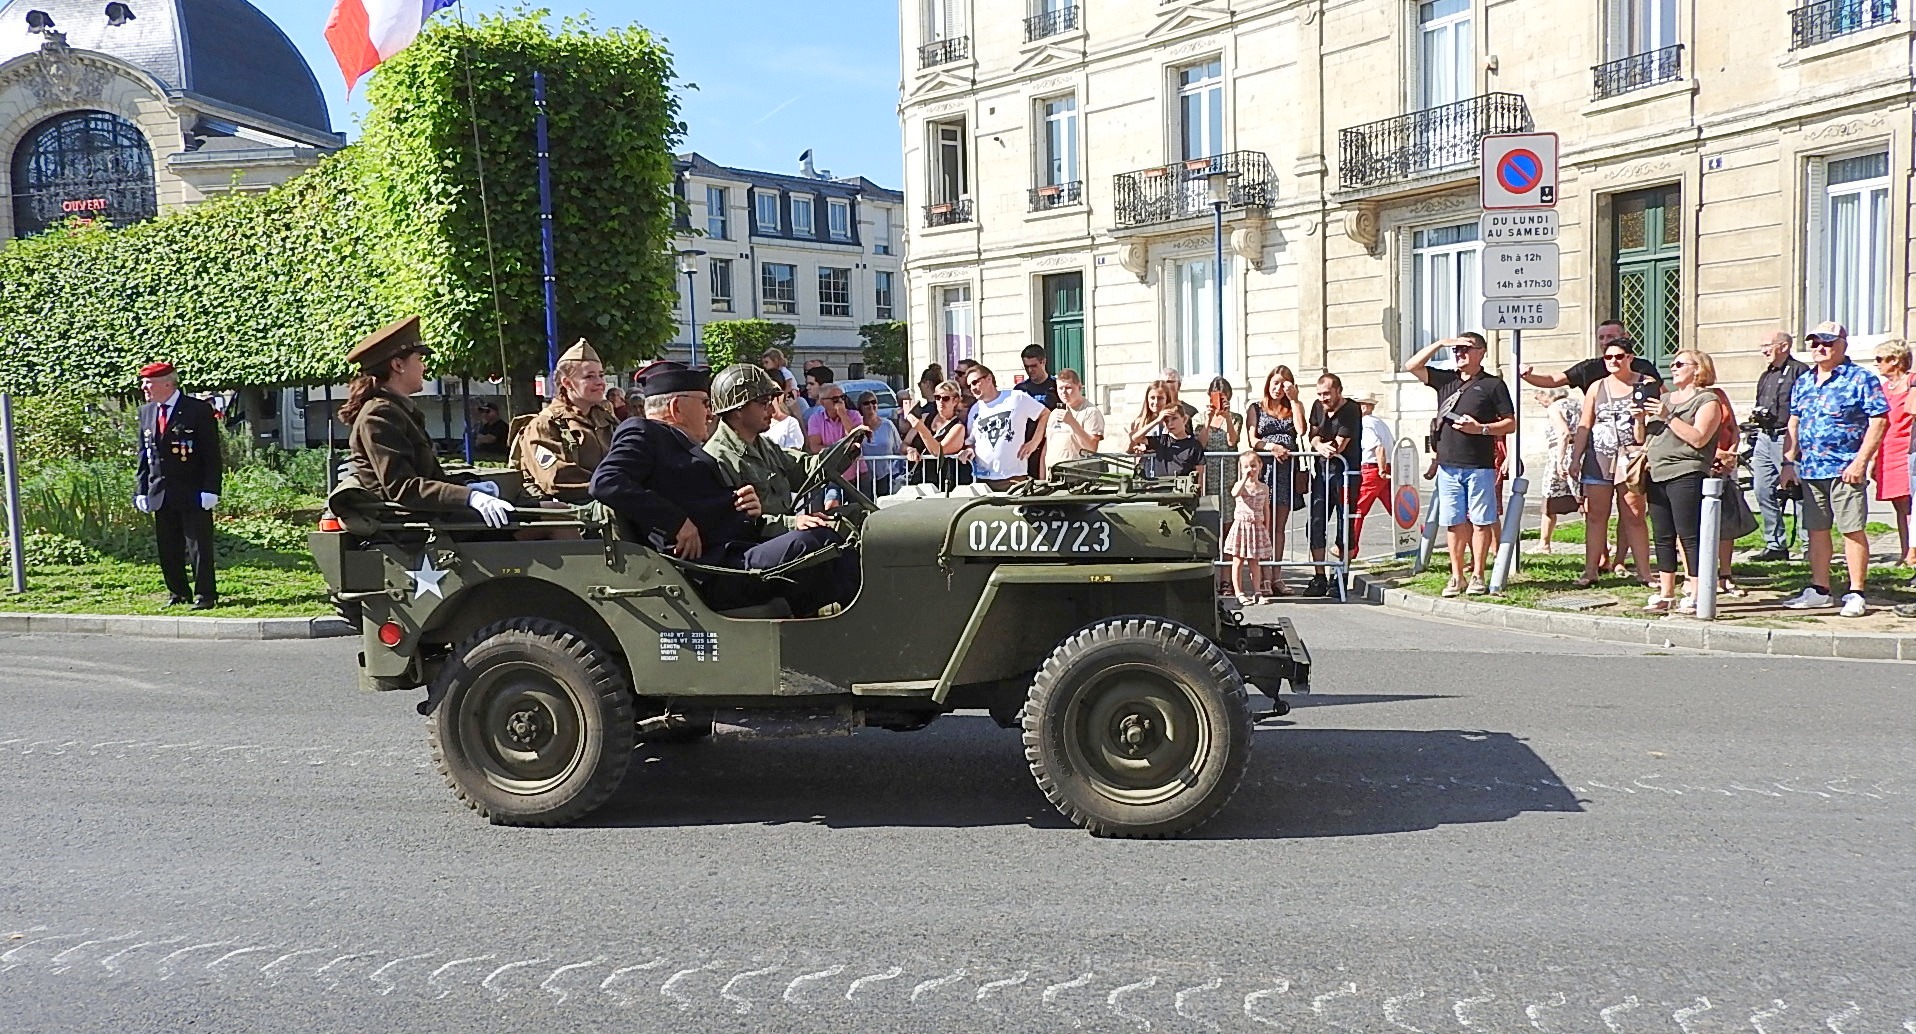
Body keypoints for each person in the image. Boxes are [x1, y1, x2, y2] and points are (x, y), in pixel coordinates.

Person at [590, 364, 852, 616]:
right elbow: (607, 481)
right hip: (711, 570)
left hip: (731, 553)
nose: (711, 413)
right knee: (818, 543)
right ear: (676, 407)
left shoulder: (684, 446)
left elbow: (701, 504)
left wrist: (744, 509)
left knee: (837, 541)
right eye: (704, 403)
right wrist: (676, 522)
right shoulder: (643, 432)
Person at [1780, 322, 1888, 616]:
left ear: (1843, 344)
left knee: (1852, 529)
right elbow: (1795, 421)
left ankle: (1856, 591)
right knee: (1816, 530)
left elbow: (1878, 420)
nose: (1819, 348)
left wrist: (1861, 461)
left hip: (1845, 467)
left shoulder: (1860, 379)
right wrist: (1788, 462)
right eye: (1814, 343)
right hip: (1812, 468)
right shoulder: (1804, 381)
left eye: (1826, 342)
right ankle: (1820, 588)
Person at [1406, 333, 1516, 597]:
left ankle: (1478, 574)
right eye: (1457, 350)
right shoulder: (1446, 380)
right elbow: (1412, 366)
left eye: (1466, 349)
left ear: (1482, 352)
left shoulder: (1493, 385)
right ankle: (1457, 576)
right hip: (1448, 466)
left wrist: (1481, 429)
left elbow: (1511, 423)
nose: (1460, 353)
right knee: (1454, 522)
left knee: (1481, 521)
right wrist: (1439, 344)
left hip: (1479, 465)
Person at [1565, 338, 1656, 589]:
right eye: (1608, 357)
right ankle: (1591, 569)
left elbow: (1655, 422)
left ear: (1630, 357)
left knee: (1634, 515)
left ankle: (1644, 572)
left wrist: (1641, 422)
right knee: (1595, 515)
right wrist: (1576, 458)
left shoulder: (1646, 383)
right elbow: (1585, 424)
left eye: (1619, 356)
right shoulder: (1597, 387)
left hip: (1631, 457)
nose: (1613, 362)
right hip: (1599, 457)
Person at [1639, 349, 1724, 614]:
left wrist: (1668, 416)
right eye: (1673, 364)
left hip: (1686, 470)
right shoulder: (1664, 398)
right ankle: (1666, 592)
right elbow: (1643, 437)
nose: (1673, 368)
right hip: (1656, 471)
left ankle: (1698, 591)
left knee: (1689, 534)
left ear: (1698, 369)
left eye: (1680, 364)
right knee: (1662, 535)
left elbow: (1699, 438)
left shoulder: (1707, 400)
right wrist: (1639, 418)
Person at [133, 361, 222, 609]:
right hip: (161, 490)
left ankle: (205, 594)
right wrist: (141, 489)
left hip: (192, 489)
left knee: (198, 546)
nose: (144, 387)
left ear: (167, 383)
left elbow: (211, 454)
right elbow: (144, 455)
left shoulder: (197, 410)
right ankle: (177, 592)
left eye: (148, 382)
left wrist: (211, 489)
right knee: (168, 546)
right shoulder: (147, 412)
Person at [514, 338, 619, 504]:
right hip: (574, 514)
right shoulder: (544, 425)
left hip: (613, 501)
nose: (600, 382)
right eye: (589, 376)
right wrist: (614, 488)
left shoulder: (607, 419)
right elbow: (556, 478)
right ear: (568, 383)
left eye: (601, 375)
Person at [1748, 331, 1807, 560]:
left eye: (1767, 345)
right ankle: (1775, 544)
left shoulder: (1799, 371)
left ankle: (1808, 545)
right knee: (1763, 489)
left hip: (1788, 436)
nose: (1764, 350)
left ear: (1783, 346)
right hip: (1765, 437)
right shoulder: (1766, 375)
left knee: (1798, 492)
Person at [1247, 366, 1304, 596]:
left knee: (1279, 527)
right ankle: (1264, 578)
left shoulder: (1292, 407)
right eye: (1276, 382)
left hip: (1286, 471)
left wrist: (1296, 400)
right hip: (1265, 469)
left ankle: (1277, 576)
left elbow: (1301, 430)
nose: (1279, 388)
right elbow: (1253, 440)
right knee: (1264, 525)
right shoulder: (1256, 407)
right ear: (1268, 383)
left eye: (1284, 384)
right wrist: (1272, 447)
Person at [1304, 372, 1362, 596]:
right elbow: (1313, 435)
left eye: (1327, 393)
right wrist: (1318, 444)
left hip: (1345, 474)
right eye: (1319, 394)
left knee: (1343, 524)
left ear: (1338, 391)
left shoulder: (1351, 409)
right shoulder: (1318, 407)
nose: (1323, 398)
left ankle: (1341, 576)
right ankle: (1319, 576)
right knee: (1316, 523)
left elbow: (1339, 445)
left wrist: (1325, 446)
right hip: (1322, 472)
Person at [960, 363, 1049, 490]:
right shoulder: (975, 409)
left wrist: (1034, 442)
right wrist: (968, 451)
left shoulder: (1016, 397)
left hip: (1013, 478)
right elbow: (971, 442)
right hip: (983, 481)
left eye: (975, 382)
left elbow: (1045, 414)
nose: (972, 388)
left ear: (989, 379)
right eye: (969, 386)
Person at [1870, 339, 1913, 565]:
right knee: (1898, 504)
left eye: (1880, 359)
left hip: (1907, 451)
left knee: (1910, 505)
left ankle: (1912, 554)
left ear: (1895, 360)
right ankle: (1906, 551)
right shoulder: (1884, 389)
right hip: (1887, 451)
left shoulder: (1912, 383)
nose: (1876, 364)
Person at [1222, 450, 1273, 606]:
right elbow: (1234, 493)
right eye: (1246, 466)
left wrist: (1267, 527)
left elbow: (1266, 509)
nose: (1250, 469)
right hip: (1241, 527)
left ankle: (1257, 591)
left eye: (1253, 465)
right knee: (1237, 560)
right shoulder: (1241, 486)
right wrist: (1244, 478)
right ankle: (1239, 592)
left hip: (1256, 527)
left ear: (1260, 466)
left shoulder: (1263, 487)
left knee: (1254, 561)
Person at [902, 378, 972, 491]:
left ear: (955, 400)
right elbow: (905, 443)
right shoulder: (925, 418)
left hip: (943, 483)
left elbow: (937, 451)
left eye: (945, 398)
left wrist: (919, 426)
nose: (940, 401)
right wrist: (910, 450)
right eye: (937, 397)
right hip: (919, 480)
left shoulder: (958, 427)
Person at [1535, 387, 1579, 554]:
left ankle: (1544, 544)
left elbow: (1563, 433)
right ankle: (1604, 544)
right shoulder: (1576, 404)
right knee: (1583, 498)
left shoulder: (1554, 407)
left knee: (1549, 497)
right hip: (1580, 452)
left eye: (1539, 398)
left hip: (1562, 452)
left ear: (1548, 395)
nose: (1539, 402)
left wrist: (1560, 461)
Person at [1043, 369, 1106, 477]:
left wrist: (1072, 422)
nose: (1063, 392)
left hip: (1077, 475)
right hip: (1053, 474)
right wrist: (1042, 477)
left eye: (1068, 388)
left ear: (1079, 387)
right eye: (1060, 388)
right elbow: (1047, 447)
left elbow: (1091, 448)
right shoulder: (1055, 413)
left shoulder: (1090, 412)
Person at [1352, 393, 1392, 556]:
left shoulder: (1365, 424)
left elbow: (1378, 447)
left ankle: (1350, 547)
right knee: (1396, 508)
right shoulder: (1380, 423)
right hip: (1383, 468)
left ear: (1363, 406)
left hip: (1372, 469)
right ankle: (1421, 536)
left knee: (1357, 509)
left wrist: (1381, 470)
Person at [804, 381, 865, 486]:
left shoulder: (854, 415)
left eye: (842, 397)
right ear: (823, 402)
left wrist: (843, 415)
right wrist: (842, 451)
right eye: (835, 399)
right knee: (831, 501)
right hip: (829, 475)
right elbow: (814, 447)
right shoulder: (815, 419)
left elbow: (854, 440)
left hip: (856, 474)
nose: (840, 402)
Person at [1016, 345, 1060, 476]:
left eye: (1034, 366)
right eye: (1026, 367)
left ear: (1043, 362)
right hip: (1026, 443)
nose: (1030, 370)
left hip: (1050, 442)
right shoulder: (1020, 389)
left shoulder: (1057, 386)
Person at [1199, 376, 1243, 505]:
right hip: (1208, 468)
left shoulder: (1235, 418)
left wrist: (1228, 418)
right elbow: (1201, 443)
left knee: (1228, 505)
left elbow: (1232, 442)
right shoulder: (1199, 418)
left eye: (1223, 398)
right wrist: (1208, 420)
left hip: (1228, 468)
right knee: (1209, 505)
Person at [855, 390, 907, 495]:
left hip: (886, 476)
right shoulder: (856, 426)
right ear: (860, 407)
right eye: (866, 403)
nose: (871, 405)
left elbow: (899, 448)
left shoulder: (888, 425)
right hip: (862, 477)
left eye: (874, 402)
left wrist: (909, 450)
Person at [1141, 403, 1204, 483]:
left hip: (1182, 490)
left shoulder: (1195, 445)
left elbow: (1199, 475)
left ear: (1184, 419)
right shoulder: (1161, 441)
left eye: (1174, 419)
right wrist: (1157, 420)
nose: (1170, 424)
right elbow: (1136, 438)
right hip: (1160, 488)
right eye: (1166, 421)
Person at [1126, 380, 1179, 454]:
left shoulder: (1175, 420)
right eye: (1152, 398)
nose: (1156, 402)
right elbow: (1128, 451)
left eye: (1160, 398)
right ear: (1147, 399)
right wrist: (1132, 443)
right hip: (1147, 464)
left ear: (1167, 399)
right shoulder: (1140, 421)